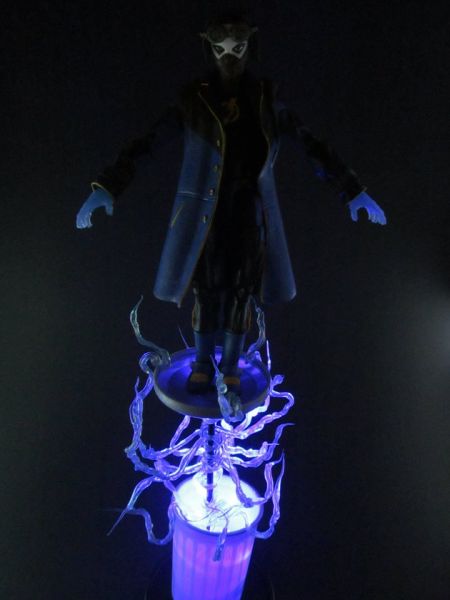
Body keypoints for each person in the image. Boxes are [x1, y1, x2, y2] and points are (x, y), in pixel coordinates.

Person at [76, 13, 386, 398]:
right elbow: (148, 143)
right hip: (205, 216)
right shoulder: (193, 99)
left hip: (250, 210)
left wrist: (352, 190)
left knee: (241, 290)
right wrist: (108, 186)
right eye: (221, 49)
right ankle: (203, 363)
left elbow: (312, 144)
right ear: (209, 49)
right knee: (206, 290)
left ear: (249, 47)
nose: (229, 57)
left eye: (237, 49)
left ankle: (230, 368)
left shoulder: (266, 99)